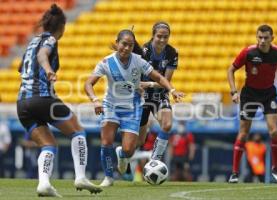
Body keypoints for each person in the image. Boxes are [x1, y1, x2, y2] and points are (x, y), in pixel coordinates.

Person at [16, 4, 102, 197]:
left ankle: (44, 184)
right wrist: (48, 70)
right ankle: (80, 176)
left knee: (48, 144)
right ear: (62, 26)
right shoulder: (50, 40)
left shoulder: (31, 41)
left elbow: (22, 68)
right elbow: (42, 55)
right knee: (78, 131)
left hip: (22, 104)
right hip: (42, 97)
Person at [84, 29, 184, 187]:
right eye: (124, 44)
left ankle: (122, 155)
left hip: (132, 108)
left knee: (130, 149)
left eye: (130, 45)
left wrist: (171, 90)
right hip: (111, 105)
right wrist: (95, 100)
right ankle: (109, 177)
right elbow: (88, 83)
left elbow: (158, 77)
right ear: (117, 43)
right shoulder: (106, 62)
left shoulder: (139, 61)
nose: (126, 48)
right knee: (106, 141)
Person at [227, 24, 277, 183]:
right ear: (256, 37)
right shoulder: (248, 52)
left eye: (266, 38)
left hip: (269, 93)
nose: (262, 41)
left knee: (275, 132)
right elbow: (230, 70)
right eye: (259, 37)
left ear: (272, 39)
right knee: (243, 133)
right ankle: (234, 172)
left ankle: (276, 168)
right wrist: (234, 92)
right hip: (249, 94)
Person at [138, 21, 178, 161]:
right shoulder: (143, 51)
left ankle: (154, 160)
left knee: (167, 125)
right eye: (159, 36)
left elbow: (165, 82)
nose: (162, 40)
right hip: (141, 98)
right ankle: (122, 154)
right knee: (139, 142)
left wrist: (147, 84)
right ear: (153, 36)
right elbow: (135, 79)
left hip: (159, 96)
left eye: (165, 37)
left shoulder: (172, 53)